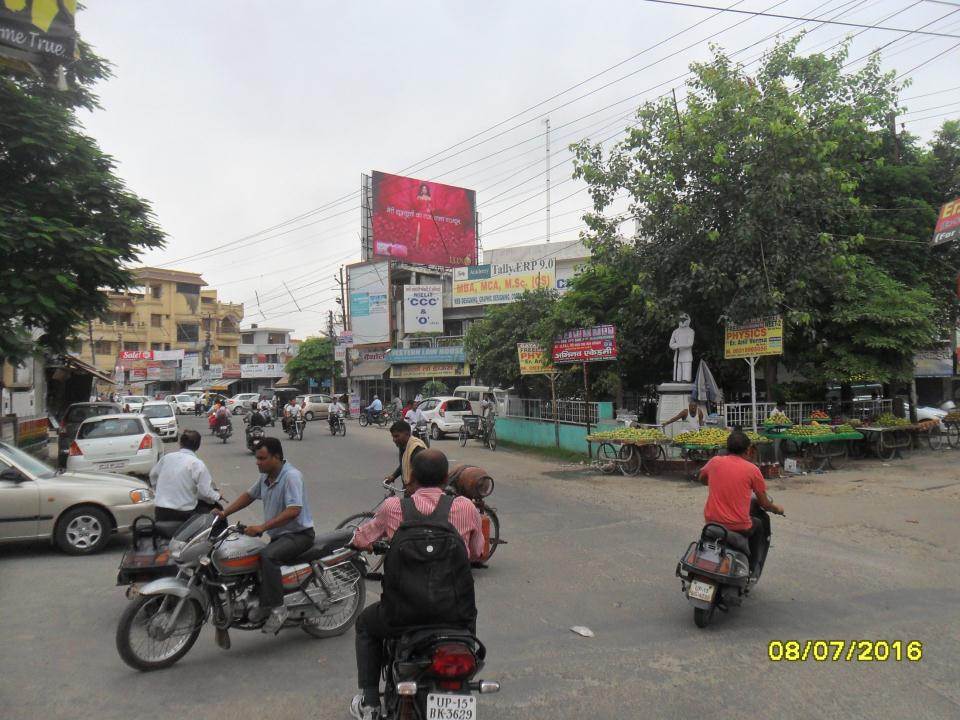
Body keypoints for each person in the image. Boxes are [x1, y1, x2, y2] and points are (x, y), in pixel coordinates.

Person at [349, 449, 483, 720]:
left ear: (411, 477)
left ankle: (371, 701)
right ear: (446, 478)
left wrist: (370, 543)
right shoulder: (466, 507)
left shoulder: (393, 507)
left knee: (365, 624)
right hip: (456, 616)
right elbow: (478, 552)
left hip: (401, 615)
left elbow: (361, 540)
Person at [215, 437, 315, 633]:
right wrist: (224, 513)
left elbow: (293, 510)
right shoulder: (266, 476)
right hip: (281, 536)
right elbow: (249, 496)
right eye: (257, 458)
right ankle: (261, 603)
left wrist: (261, 527)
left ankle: (278, 608)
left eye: (262, 458)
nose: (257, 462)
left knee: (267, 556)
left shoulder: (291, 476)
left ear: (276, 457)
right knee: (250, 554)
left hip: (299, 535)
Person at [698, 430, 784, 572]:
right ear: (748, 449)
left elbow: (702, 479)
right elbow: (764, 504)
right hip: (738, 526)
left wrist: (715, 479)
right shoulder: (752, 470)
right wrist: (778, 509)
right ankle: (751, 568)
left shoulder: (715, 462)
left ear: (727, 447)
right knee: (758, 525)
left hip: (712, 522)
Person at [149, 430, 223, 522]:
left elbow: (153, 476)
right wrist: (217, 496)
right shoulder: (197, 464)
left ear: (180, 443)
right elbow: (205, 491)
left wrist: (160, 491)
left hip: (160, 510)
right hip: (183, 514)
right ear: (198, 446)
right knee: (212, 518)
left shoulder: (167, 458)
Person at [385, 420, 427, 486]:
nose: (394, 440)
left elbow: (421, 472)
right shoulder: (403, 445)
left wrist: (411, 486)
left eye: (396, 436)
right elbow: (403, 465)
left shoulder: (416, 448)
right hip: (408, 487)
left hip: (417, 490)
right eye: (393, 437)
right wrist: (393, 476)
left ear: (407, 433)